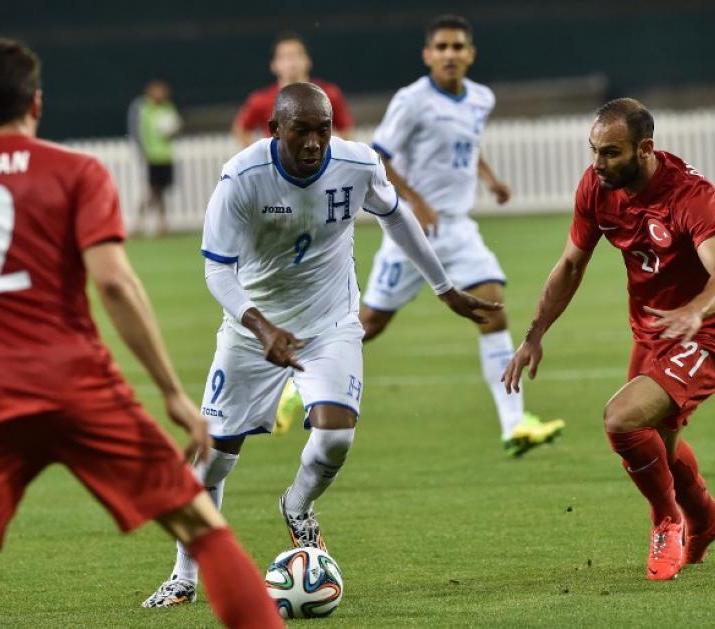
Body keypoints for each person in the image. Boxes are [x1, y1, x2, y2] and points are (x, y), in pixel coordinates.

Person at [0, 38, 282, 629]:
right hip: (74, 381)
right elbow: (116, 286)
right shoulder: (76, 172)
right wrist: (174, 393)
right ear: (38, 104)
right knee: (201, 527)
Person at [144, 81, 500, 609]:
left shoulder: (356, 165)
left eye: (323, 130)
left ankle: (297, 504)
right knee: (213, 462)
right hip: (251, 332)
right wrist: (262, 329)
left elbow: (396, 215)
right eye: (301, 131)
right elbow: (217, 273)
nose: (314, 143)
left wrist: (444, 288)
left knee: (335, 439)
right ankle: (183, 576)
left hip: (330, 322)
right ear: (275, 131)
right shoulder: (241, 178)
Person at [278, 15, 564, 455]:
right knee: (369, 324)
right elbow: (381, 156)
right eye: (442, 47)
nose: (450, 54)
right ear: (428, 54)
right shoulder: (412, 101)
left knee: (493, 308)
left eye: (458, 47)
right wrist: (415, 200)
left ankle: (515, 423)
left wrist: (489, 179)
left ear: (471, 53)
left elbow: (467, 144)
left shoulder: (480, 99)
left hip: (459, 227)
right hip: (414, 230)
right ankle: (300, 377)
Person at [503, 98, 715, 581]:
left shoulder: (691, 196)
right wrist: (534, 335)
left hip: (711, 333)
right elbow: (571, 264)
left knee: (623, 421)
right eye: (594, 151)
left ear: (645, 149)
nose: (598, 164)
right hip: (655, 333)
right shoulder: (598, 187)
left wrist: (694, 310)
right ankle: (706, 517)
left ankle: (667, 520)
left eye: (610, 153)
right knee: (657, 441)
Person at [232, 32, 353, 146]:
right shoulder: (260, 100)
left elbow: (346, 129)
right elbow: (241, 129)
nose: (291, 62)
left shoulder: (329, 94)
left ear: (308, 60)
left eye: (296, 55)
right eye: (284, 57)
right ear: (274, 64)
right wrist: (263, 155)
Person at [127, 80, 182, 236]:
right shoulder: (145, 110)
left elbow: (175, 129)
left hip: (166, 155)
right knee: (153, 190)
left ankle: (161, 224)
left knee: (161, 191)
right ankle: (140, 222)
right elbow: (140, 133)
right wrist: (143, 151)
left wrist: (173, 131)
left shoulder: (168, 108)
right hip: (152, 156)